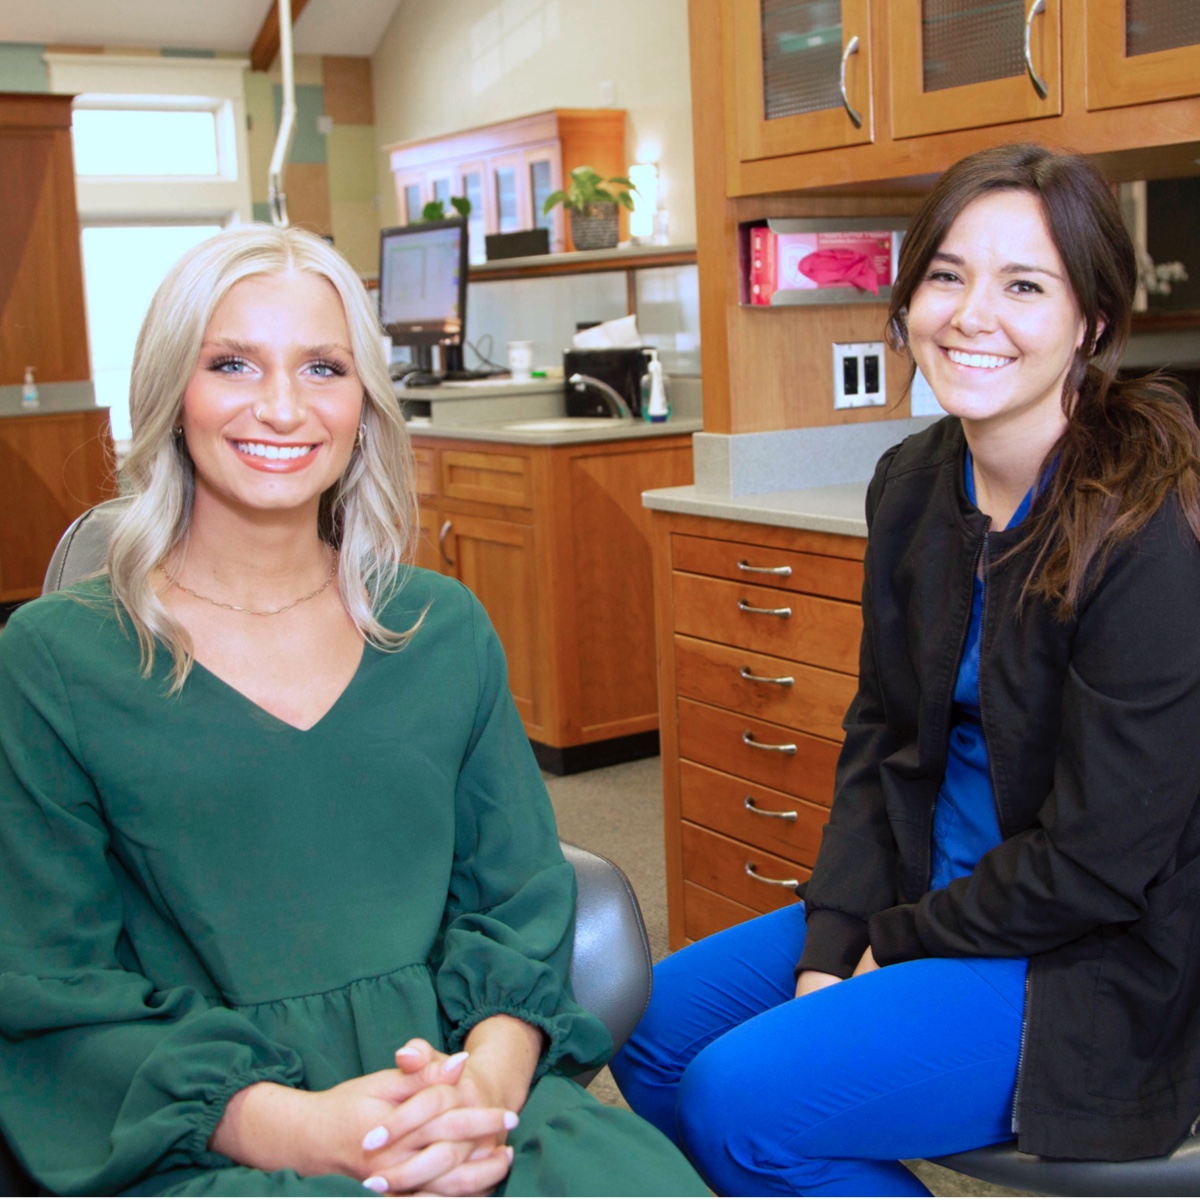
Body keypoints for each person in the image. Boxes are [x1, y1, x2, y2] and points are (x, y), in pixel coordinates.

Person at [0, 224, 706, 1198]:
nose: (282, 407)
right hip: (212, 1128)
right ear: (172, 391)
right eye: (234, 363)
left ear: (364, 405)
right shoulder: (55, 661)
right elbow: (52, 988)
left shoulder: (442, 629)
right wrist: (301, 1130)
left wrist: (482, 1095)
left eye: (323, 367)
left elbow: (516, 904)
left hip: (461, 1092)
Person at [610, 142, 1200, 1196]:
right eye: (948, 274)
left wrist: (897, 944)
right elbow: (881, 737)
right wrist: (830, 942)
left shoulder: (1147, 524)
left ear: (1093, 322)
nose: (974, 314)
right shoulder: (915, 484)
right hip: (928, 886)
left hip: (1090, 943)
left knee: (737, 1100)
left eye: (1025, 284)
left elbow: (1104, 859)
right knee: (645, 1028)